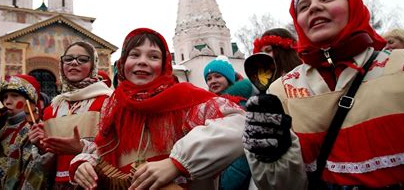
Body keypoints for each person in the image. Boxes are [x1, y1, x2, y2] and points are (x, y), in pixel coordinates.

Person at [243, 0, 404, 189]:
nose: (314, 7)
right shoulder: (282, 90)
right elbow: (283, 185)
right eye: (303, 7)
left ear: (353, 7)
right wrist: (271, 158)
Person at [69, 28, 245, 189]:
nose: (142, 62)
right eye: (134, 55)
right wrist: (85, 163)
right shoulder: (115, 104)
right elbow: (104, 147)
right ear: (123, 63)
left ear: (164, 65)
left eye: (153, 56)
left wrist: (177, 163)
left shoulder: (186, 98)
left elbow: (239, 125)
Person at [28, 41, 113, 189]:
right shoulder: (53, 108)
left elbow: (116, 149)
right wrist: (41, 146)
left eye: (82, 59)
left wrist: (82, 149)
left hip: (95, 182)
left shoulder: (108, 101)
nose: (74, 63)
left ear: (93, 65)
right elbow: (49, 163)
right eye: (68, 59)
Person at [0, 74, 51, 189]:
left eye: (15, 96)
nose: (7, 101)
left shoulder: (36, 129)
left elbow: (35, 175)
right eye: (5, 97)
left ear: (30, 101)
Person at [203, 56, 255, 190]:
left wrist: (228, 181)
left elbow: (245, 147)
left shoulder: (242, 104)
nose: (212, 81)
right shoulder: (209, 104)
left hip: (236, 177)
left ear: (229, 78)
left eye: (217, 76)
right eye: (209, 78)